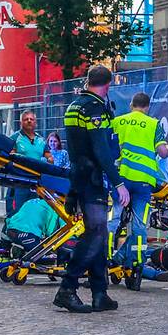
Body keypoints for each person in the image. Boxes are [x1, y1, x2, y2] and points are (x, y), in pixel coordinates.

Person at [55, 64, 128, 313]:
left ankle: (100, 293)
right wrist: (118, 183)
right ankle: (67, 288)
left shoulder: (74, 106)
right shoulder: (95, 109)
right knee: (96, 233)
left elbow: (77, 148)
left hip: (79, 176)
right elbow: (100, 149)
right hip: (93, 178)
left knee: (100, 234)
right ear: (108, 85)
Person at [107, 92, 168, 289]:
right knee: (140, 225)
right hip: (143, 182)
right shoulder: (153, 124)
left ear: (131, 105)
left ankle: (106, 259)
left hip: (121, 179)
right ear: (147, 107)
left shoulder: (118, 121)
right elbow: (163, 152)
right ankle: (136, 264)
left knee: (113, 220)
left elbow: (108, 145)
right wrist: (167, 147)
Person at [6, 110, 55, 216]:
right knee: (18, 213)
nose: (29, 121)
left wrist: (50, 160)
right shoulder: (15, 138)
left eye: (31, 119)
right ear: (21, 122)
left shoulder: (41, 140)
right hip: (19, 181)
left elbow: (49, 156)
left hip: (36, 182)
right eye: (26, 119)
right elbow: (10, 155)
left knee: (34, 212)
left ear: (35, 122)